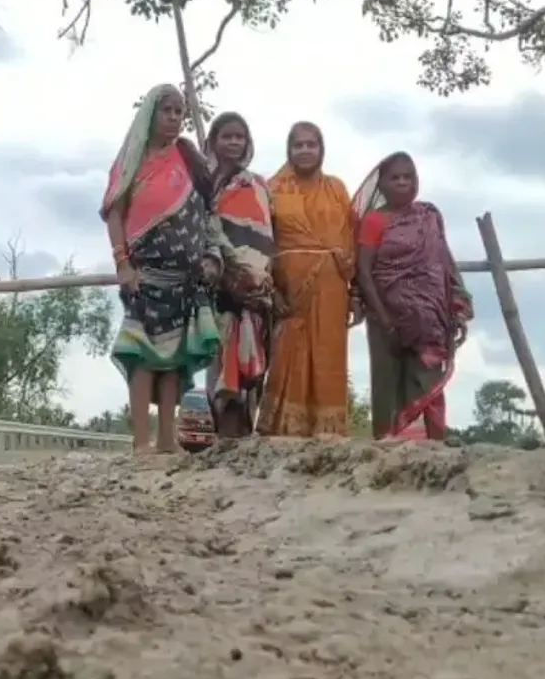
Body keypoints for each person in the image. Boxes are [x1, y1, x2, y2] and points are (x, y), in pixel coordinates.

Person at [102, 84, 222, 454]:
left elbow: (208, 210)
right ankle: (141, 441)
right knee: (141, 354)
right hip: (143, 274)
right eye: (166, 110)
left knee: (174, 359)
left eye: (179, 111)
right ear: (151, 114)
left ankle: (167, 440)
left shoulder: (190, 159)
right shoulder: (130, 162)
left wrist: (210, 256)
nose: (173, 118)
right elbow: (115, 214)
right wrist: (122, 264)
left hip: (186, 276)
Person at [352, 152, 472, 440]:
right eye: (395, 178)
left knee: (425, 381)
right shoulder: (374, 221)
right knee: (387, 385)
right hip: (384, 318)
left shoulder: (428, 217)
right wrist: (386, 321)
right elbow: (364, 272)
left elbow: (444, 264)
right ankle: (387, 449)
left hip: (428, 321)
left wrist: (455, 306)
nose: (402, 182)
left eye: (408, 177)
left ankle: (428, 451)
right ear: (382, 185)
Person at [261, 121, 357, 437]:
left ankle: (327, 434)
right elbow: (262, 243)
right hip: (289, 291)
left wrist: (356, 294)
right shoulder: (272, 190)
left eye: (311, 144)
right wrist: (272, 291)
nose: (305, 150)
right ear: (288, 150)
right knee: (289, 355)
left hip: (332, 291)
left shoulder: (337, 189)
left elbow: (350, 240)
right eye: (298, 145)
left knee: (328, 358)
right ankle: (284, 431)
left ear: (321, 149)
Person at [202, 112, 278, 438]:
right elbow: (203, 230)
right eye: (227, 136)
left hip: (256, 289)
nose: (234, 142)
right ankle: (222, 439)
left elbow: (268, 234)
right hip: (217, 287)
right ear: (213, 141)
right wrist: (227, 271)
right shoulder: (203, 185)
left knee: (252, 366)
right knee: (219, 362)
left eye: (240, 137)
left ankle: (244, 440)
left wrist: (256, 276)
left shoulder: (258, 185)